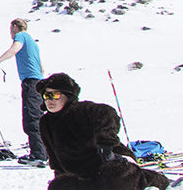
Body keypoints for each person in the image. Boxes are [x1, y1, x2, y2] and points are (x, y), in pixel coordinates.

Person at [35, 73, 170, 190]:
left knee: (114, 177)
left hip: (113, 161)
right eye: (47, 95)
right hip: (83, 174)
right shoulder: (46, 122)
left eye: (55, 95)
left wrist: (106, 145)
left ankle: (157, 182)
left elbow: (107, 113)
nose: (50, 100)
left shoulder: (82, 110)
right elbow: (54, 156)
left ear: (68, 96)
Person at [0, 18, 47, 165]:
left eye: (11, 29)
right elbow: (41, 66)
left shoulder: (21, 36)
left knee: (31, 118)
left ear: (15, 27)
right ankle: (42, 151)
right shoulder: (33, 42)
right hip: (38, 81)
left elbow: (14, 49)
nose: (10, 32)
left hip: (30, 82)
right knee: (38, 116)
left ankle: (38, 154)